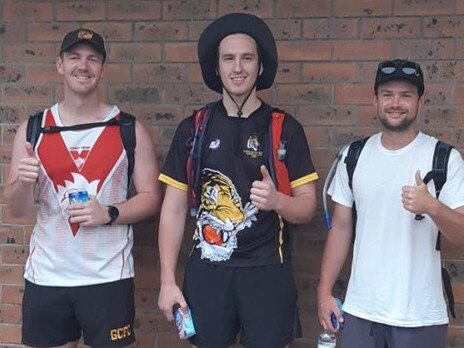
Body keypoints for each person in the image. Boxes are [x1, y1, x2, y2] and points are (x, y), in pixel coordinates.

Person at [157, 12, 318, 348]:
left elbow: (307, 209)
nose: (238, 67)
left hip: (267, 272)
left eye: (247, 58)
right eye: (228, 58)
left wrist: (278, 202)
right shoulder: (193, 129)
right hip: (207, 271)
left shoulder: (285, 128)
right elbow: (172, 210)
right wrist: (167, 281)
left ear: (261, 66)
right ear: (216, 68)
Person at [4, 28, 161, 348]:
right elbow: (16, 209)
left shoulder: (129, 129)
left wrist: (110, 212)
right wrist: (23, 181)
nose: (83, 65)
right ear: (59, 65)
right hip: (47, 277)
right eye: (74, 57)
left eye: (92, 59)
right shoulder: (34, 129)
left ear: (102, 69)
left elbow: (151, 198)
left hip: (108, 277)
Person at [317, 59, 464, 348]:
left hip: (420, 315)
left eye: (405, 95)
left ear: (420, 101)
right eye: (387, 94)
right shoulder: (353, 156)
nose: (395, 103)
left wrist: (431, 206)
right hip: (361, 313)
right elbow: (341, 229)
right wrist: (324, 291)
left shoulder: (445, 158)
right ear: (376, 100)